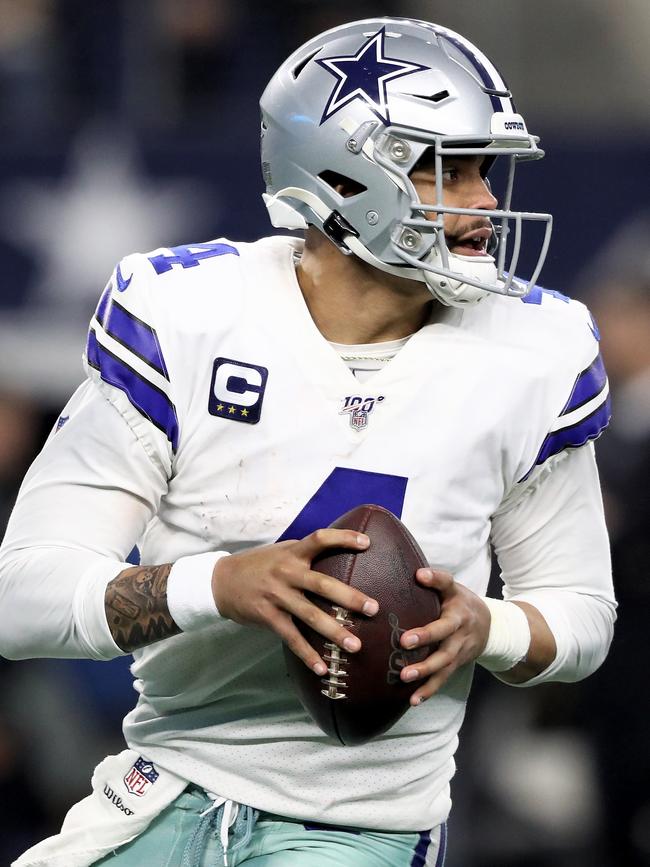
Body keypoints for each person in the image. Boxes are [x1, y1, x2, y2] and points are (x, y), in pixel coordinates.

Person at [0, 17, 616, 867]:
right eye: (446, 167)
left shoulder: (534, 351)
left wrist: (491, 627)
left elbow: (582, 614)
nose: (484, 203)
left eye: (485, 169)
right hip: (162, 788)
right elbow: (19, 599)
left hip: (354, 825)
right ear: (343, 173)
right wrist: (220, 583)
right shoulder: (188, 315)